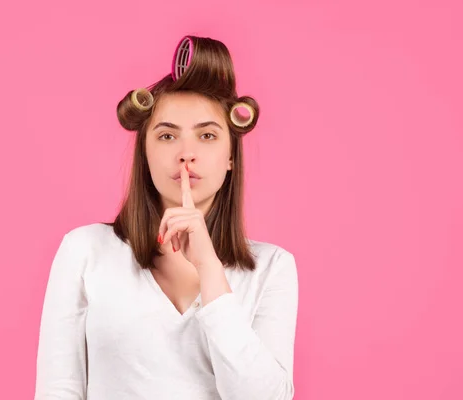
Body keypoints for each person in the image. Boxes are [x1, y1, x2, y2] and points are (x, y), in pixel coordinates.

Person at [34, 35, 299, 400]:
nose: (186, 153)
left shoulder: (272, 267)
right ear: (145, 153)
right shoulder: (85, 251)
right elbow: (57, 391)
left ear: (230, 158)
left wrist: (209, 268)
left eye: (207, 135)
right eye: (166, 136)